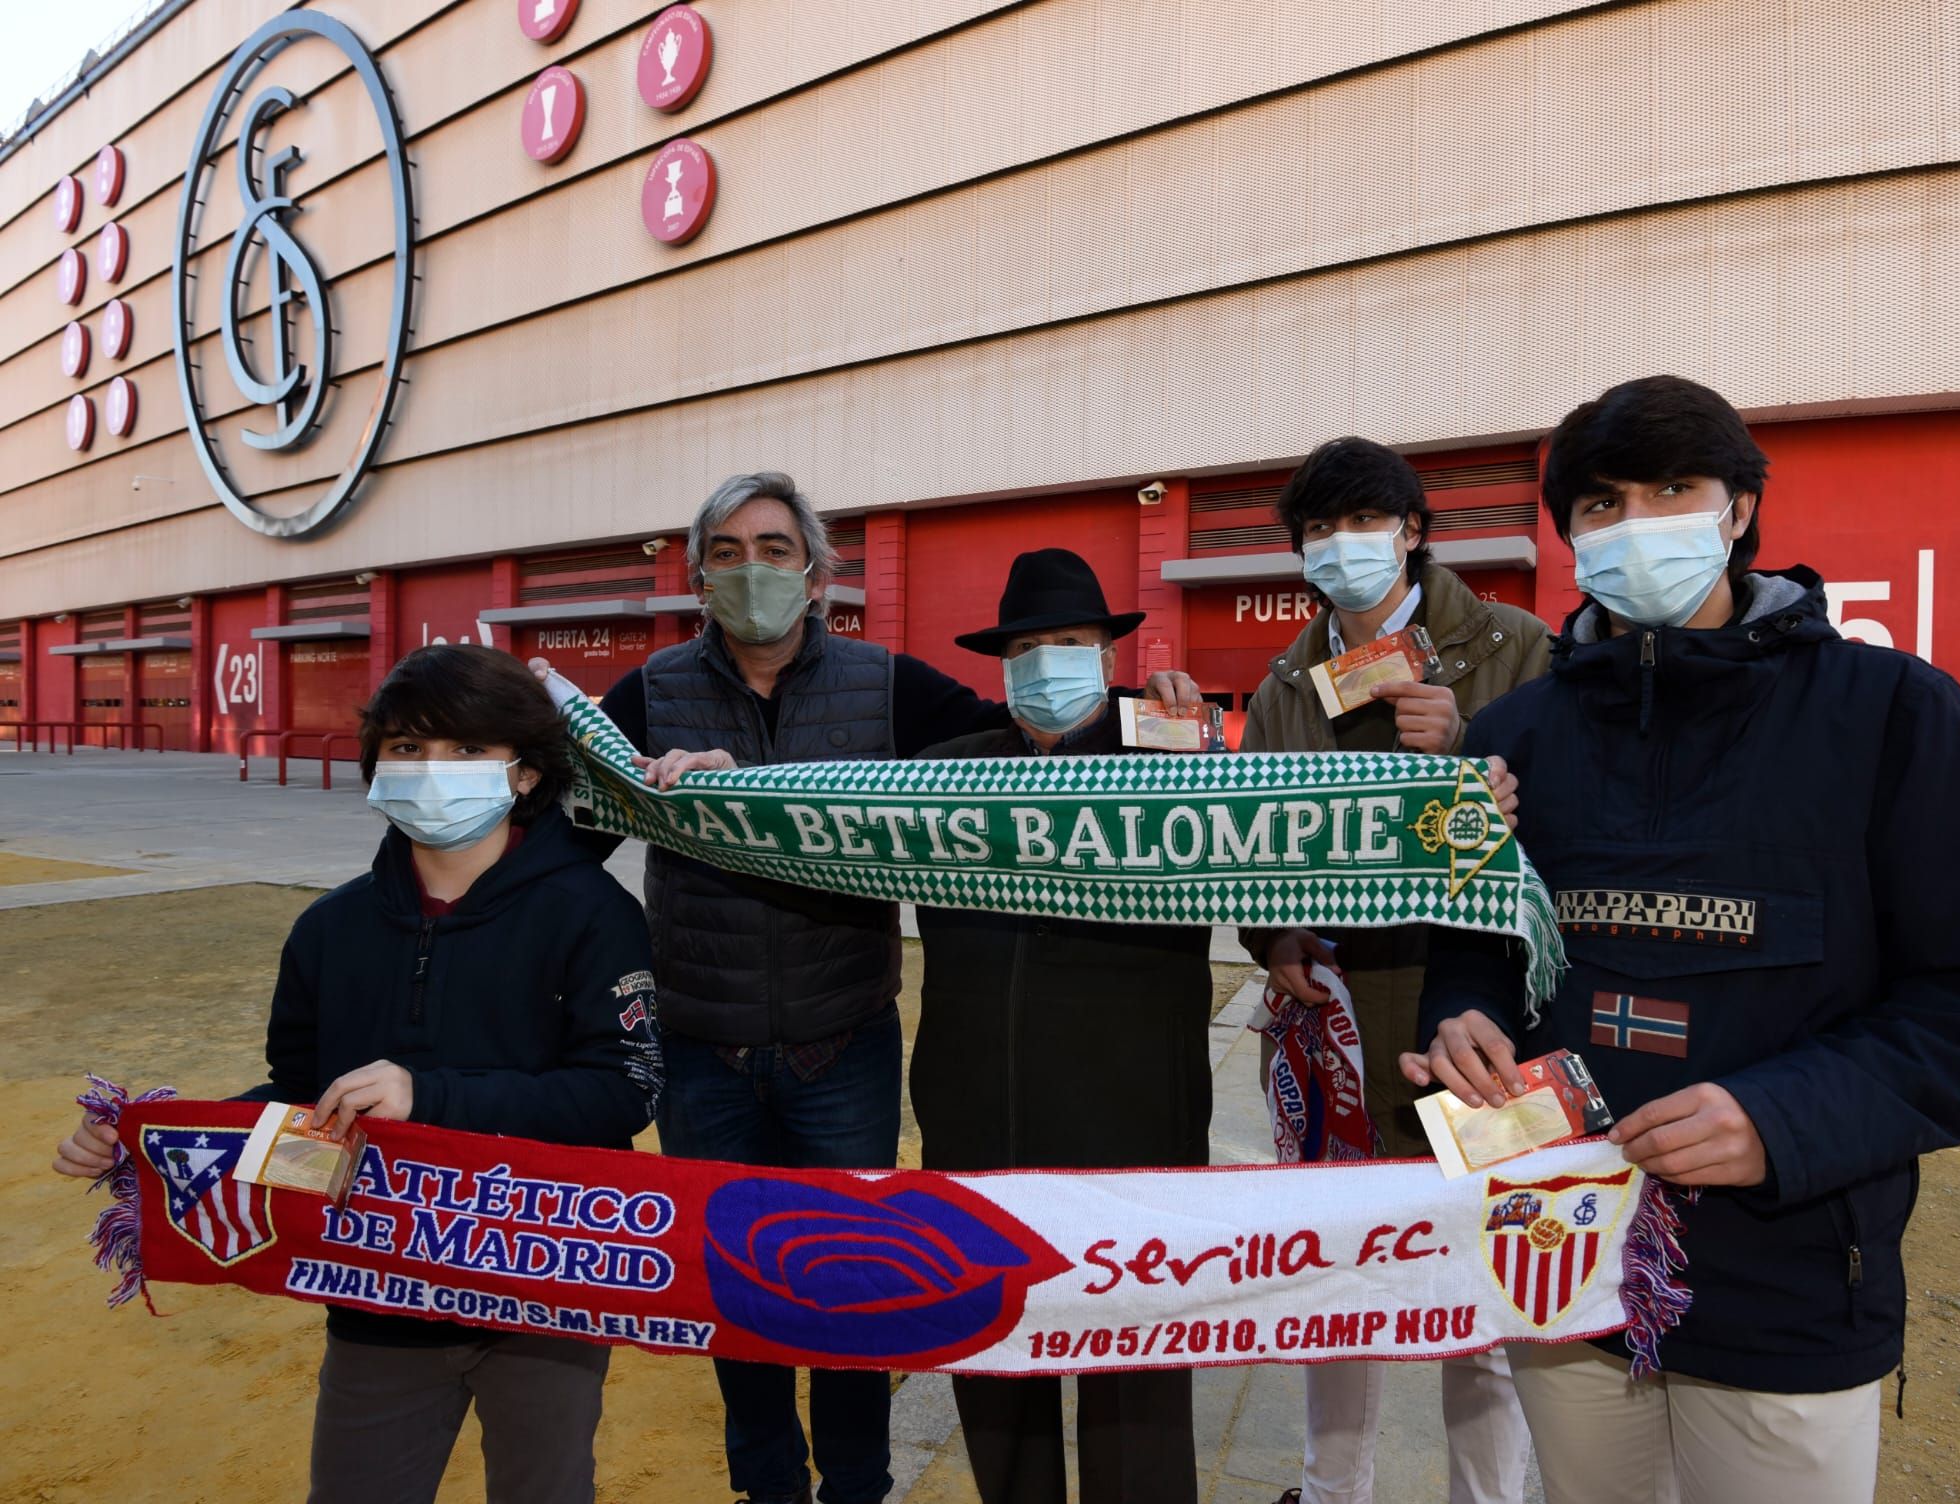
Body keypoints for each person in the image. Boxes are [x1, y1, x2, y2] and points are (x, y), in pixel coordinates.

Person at [1404, 375, 1960, 1504]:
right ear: (1569, 536)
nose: (1635, 523)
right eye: (1601, 503)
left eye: (1672, 490)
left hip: (1790, 1284)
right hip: (1560, 1261)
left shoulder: (1891, 711)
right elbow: (1479, 946)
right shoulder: (1513, 736)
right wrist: (1462, 1015)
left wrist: (1780, 1120)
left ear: (1739, 508)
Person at [572, 472, 1200, 1504]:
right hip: (705, 1053)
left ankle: (857, 1484)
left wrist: (1152, 713)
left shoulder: (888, 687)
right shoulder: (649, 692)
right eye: (726, 553)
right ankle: (767, 1485)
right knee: (740, 1289)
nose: (752, 570)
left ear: (818, 576)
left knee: (859, 1288)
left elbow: (1034, 744)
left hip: (842, 1050)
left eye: (775, 550)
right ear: (697, 578)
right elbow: (569, 843)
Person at [53, 643, 665, 1504]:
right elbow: (298, 1103)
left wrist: (430, 1094)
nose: (433, 769)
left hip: (539, 1283)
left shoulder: (594, 913)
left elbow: (622, 1091)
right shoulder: (328, 929)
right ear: (377, 767)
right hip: (378, 1289)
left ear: (525, 773)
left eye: (466, 748)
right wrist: (150, 1141)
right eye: (408, 747)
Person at [1240, 437, 1549, 1504]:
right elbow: (1253, 848)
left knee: (1487, 1286)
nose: (1341, 545)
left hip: (1479, 1024)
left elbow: (1566, 836)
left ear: (1411, 530)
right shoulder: (1286, 683)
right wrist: (1272, 938)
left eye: (1363, 521)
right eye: (1317, 529)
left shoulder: (1513, 647)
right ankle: (1332, 1490)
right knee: (1340, 1280)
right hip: (1335, 1023)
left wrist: (1464, 754)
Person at [911, 548, 1212, 1504]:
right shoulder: (941, 777)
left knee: (1135, 1379)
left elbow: (1285, 845)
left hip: (1135, 1129)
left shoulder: (1177, 760)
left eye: (1071, 642)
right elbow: (811, 819)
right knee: (997, 1363)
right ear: (1000, 666)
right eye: (1025, 648)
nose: (1046, 663)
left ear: (1109, 656)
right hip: (977, 1121)